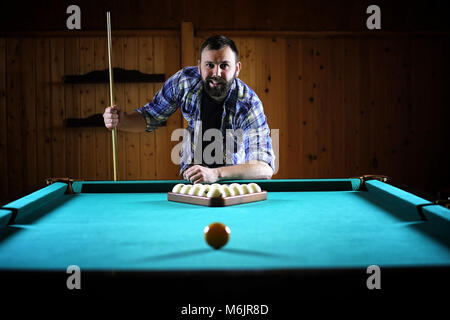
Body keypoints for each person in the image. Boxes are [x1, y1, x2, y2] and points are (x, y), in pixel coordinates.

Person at [103, 35, 275, 184]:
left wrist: (215, 174)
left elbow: (264, 168)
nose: (216, 73)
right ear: (199, 66)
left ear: (237, 69)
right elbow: (150, 117)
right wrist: (122, 120)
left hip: (232, 183)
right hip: (192, 178)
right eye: (209, 65)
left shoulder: (249, 103)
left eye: (224, 66)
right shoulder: (184, 82)